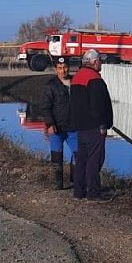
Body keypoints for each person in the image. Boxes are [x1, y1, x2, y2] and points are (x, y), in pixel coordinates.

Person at [70, 49, 114, 201]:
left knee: (81, 159)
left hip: (80, 126)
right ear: (95, 62)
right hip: (94, 126)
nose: (101, 63)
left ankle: (78, 191)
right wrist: (103, 124)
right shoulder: (94, 79)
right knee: (95, 159)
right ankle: (93, 192)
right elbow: (99, 105)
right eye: (100, 61)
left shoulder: (76, 78)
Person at [36, 57, 76, 190]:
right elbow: (44, 107)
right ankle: (58, 183)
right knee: (57, 155)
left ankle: (75, 180)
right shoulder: (50, 85)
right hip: (56, 127)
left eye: (65, 67)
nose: (63, 70)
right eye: (59, 68)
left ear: (69, 67)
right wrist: (50, 124)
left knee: (78, 153)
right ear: (55, 69)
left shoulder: (76, 82)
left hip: (73, 126)